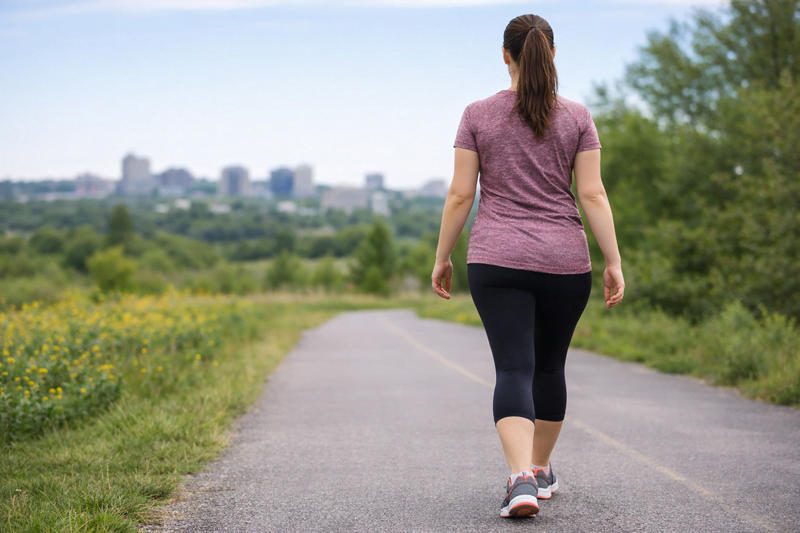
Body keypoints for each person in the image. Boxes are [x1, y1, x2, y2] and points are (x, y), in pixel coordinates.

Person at [431, 14, 625, 519]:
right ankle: (539, 470)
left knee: (514, 366)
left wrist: (442, 257)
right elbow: (592, 193)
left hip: (497, 258)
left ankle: (519, 478)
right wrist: (613, 260)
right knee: (550, 366)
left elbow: (459, 195)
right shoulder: (578, 117)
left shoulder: (477, 114)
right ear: (553, 55)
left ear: (505, 55)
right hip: (565, 261)